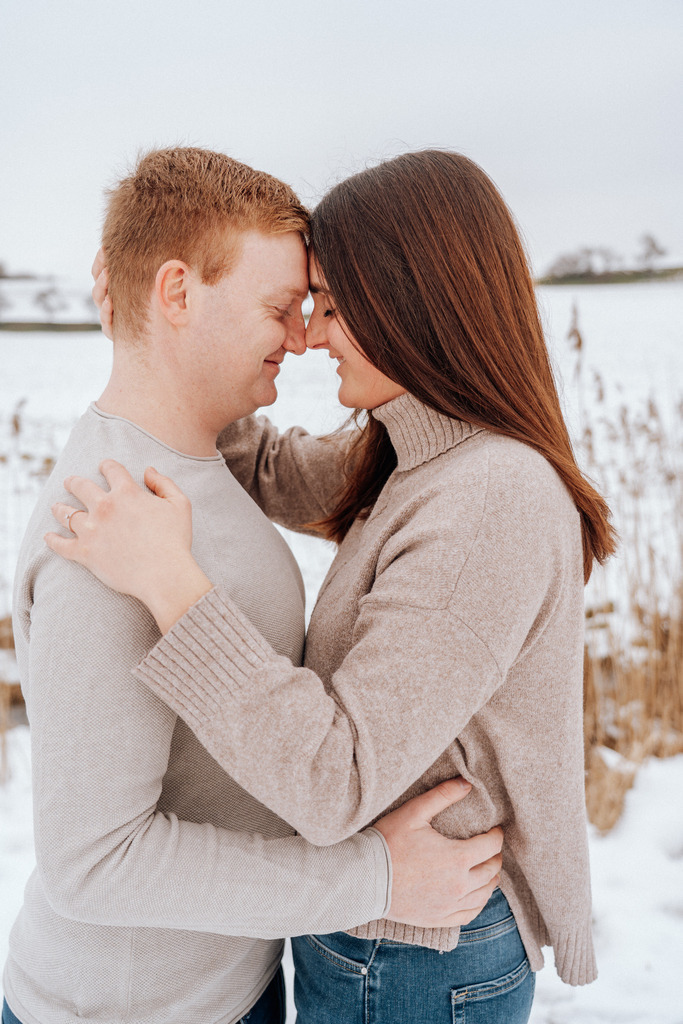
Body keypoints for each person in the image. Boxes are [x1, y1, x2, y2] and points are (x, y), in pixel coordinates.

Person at [46, 150, 614, 1023]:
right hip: (380, 925)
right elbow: (273, 466)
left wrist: (172, 585)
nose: (309, 335)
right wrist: (158, 341)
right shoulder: (422, 453)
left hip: (414, 944)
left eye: (332, 307)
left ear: (414, 307)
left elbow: (336, 780)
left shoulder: (486, 499)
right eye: (299, 306)